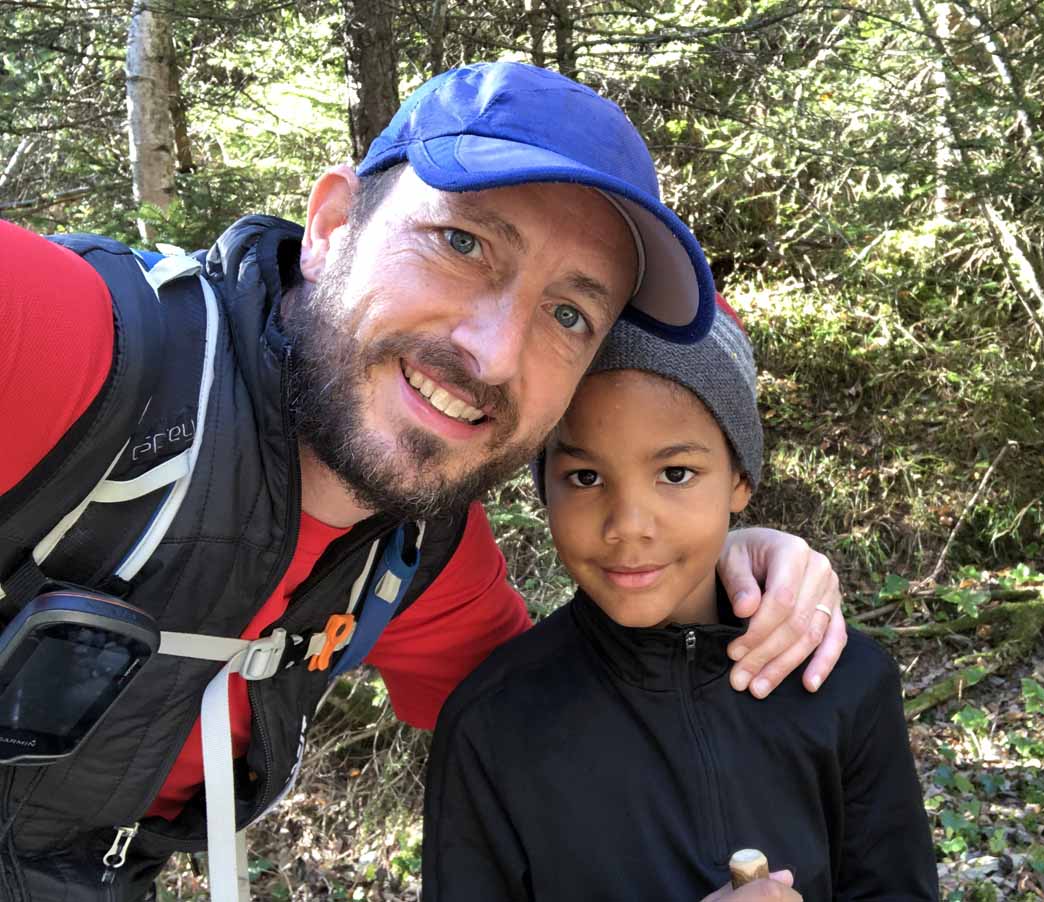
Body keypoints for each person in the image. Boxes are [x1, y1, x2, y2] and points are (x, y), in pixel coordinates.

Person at [0, 62, 846, 901]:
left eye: (568, 315)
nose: (495, 354)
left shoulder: (423, 557)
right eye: (461, 243)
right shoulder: (71, 342)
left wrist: (724, 567)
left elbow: (564, 718)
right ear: (332, 225)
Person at [423, 299, 938, 902]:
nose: (628, 525)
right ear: (544, 487)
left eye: (675, 474)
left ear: (739, 478)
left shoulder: (843, 682)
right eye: (586, 478)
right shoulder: (493, 725)